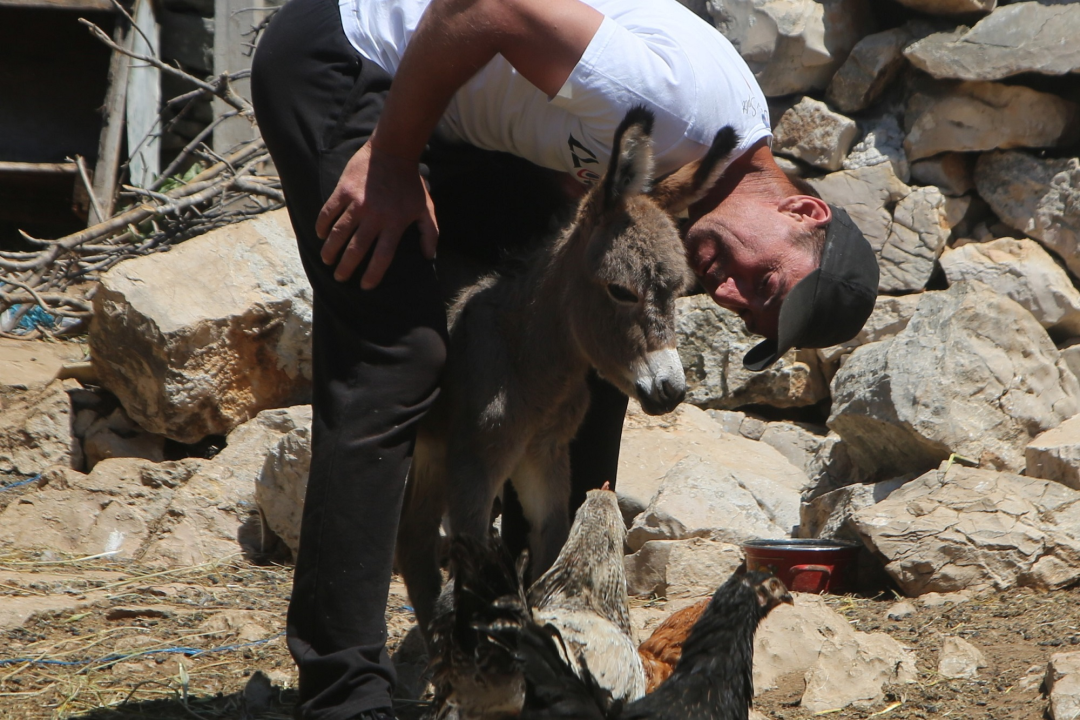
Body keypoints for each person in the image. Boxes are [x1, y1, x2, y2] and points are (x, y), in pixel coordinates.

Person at [249, 0, 878, 718]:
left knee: (594, 332)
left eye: (746, 309)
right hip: (353, 60)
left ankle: (550, 653)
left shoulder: (704, 163)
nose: (727, 290)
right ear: (805, 213)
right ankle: (344, 692)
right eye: (763, 281)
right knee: (397, 357)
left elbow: (559, 162)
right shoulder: (672, 107)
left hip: (453, 115)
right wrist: (393, 157)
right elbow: (482, 6)